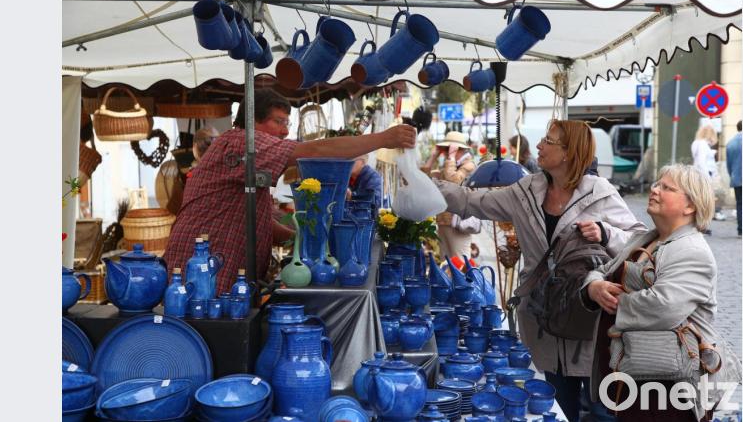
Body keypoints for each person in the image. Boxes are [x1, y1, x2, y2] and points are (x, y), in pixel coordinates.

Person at [435, 120, 646, 422]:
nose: (539, 146)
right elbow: (473, 202)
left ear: (568, 153)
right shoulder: (526, 190)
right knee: (555, 405)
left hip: (588, 317)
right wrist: (428, 185)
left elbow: (639, 240)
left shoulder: (599, 192)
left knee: (602, 409)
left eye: (549, 140)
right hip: (542, 315)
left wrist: (605, 231)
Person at [164, 89, 417, 295]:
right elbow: (313, 152)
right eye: (279, 122)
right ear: (252, 121)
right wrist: (382, 138)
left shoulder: (246, 156)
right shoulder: (242, 142)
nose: (285, 131)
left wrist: (302, 239)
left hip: (219, 268)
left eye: (288, 123)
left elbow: (254, 219)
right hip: (199, 270)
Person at [583, 164, 741, 421]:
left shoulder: (692, 250)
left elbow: (663, 307)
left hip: (668, 389)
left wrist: (613, 299)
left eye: (667, 187)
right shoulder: (645, 238)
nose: (655, 189)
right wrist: (594, 287)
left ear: (689, 206)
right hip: (635, 377)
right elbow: (602, 269)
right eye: (657, 184)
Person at [421, 131, 477, 260]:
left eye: (448, 149)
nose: (446, 153)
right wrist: (433, 157)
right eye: (445, 149)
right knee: (445, 263)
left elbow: (453, 182)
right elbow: (423, 178)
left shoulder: (469, 165)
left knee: (460, 264)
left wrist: (451, 157)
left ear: (459, 150)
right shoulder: (448, 167)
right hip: (443, 221)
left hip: (459, 223)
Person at [691, 125, 724, 228]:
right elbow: (702, 162)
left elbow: (697, 160)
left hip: (698, 174)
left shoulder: (696, 143)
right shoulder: (703, 145)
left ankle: (700, 225)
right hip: (704, 175)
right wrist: (708, 179)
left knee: (699, 202)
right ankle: (703, 226)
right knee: (705, 203)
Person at [726, 120, 742, 236]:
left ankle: (741, 229)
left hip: (737, 178)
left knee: (740, 204)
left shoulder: (730, 143)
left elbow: (728, 165)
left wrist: (732, 175)